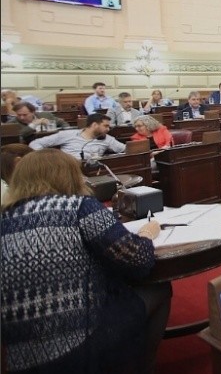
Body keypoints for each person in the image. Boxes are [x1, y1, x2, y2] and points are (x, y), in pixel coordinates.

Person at [1, 149, 172, 374]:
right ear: (70, 175)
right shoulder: (79, 206)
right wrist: (147, 233)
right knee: (159, 288)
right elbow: (137, 259)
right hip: (78, 346)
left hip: (21, 356)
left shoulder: (5, 218)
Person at [29, 113, 124, 160]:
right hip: (67, 169)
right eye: (105, 126)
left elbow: (125, 149)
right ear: (94, 125)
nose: (108, 129)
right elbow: (35, 143)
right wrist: (50, 158)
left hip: (93, 172)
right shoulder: (68, 134)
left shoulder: (107, 139)